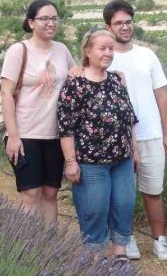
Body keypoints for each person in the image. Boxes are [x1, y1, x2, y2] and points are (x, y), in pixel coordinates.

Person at [103, 0, 167, 261]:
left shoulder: (147, 55)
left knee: (153, 191)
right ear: (108, 26)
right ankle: (127, 238)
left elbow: (162, 96)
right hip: (117, 140)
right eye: (119, 23)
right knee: (123, 195)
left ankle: (160, 241)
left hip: (151, 134)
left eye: (128, 22)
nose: (125, 27)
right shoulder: (104, 58)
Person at [58, 28, 138, 263]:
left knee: (124, 203)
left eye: (111, 48)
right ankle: (94, 257)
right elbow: (66, 128)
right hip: (90, 162)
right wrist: (71, 162)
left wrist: (134, 151)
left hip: (122, 159)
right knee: (95, 209)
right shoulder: (75, 85)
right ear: (87, 51)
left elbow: (129, 118)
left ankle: (120, 253)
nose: (108, 52)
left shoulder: (116, 80)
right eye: (102, 48)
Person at [0, 0, 76, 225]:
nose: (50, 23)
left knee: (51, 194)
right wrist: (13, 136)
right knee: (30, 194)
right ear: (31, 22)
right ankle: (29, 248)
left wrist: (113, 74)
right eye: (44, 18)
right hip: (25, 134)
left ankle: (50, 249)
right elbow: (6, 93)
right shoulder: (18, 51)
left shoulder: (62, 50)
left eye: (54, 18)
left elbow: (79, 74)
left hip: (55, 135)